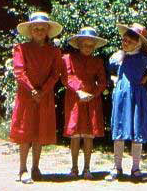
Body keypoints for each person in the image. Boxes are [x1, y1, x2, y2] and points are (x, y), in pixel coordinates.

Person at [105, 23, 147, 180]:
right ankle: (117, 167)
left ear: (138, 43)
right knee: (119, 130)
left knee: (136, 130)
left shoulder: (143, 58)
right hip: (121, 96)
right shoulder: (119, 56)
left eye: (129, 41)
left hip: (136, 97)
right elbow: (108, 68)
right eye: (124, 40)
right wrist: (114, 79)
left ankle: (135, 168)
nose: (125, 43)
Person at [10, 12, 62, 183]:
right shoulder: (21, 48)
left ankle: (36, 167)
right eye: (36, 28)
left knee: (39, 132)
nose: (39, 31)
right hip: (26, 96)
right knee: (26, 132)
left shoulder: (54, 51)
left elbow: (56, 74)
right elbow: (19, 71)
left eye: (42, 28)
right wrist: (32, 89)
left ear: (47, 31)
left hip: (44, 96)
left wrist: (43, 90)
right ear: (30, 30)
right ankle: (22, 169)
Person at [61, 27, 107, 179]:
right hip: (74, 99)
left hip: (91, 100)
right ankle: (74, 168)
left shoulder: (98, 61)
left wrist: (93, 94)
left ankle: (87, 168)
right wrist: (78, 90)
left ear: (94, 46)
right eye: (84, 45)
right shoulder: (68, 58)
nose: (87, 48)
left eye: (90, 45)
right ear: (78, 44)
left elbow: (102, 82)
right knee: (75, 135)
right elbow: (66, 77)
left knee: (88, 135)